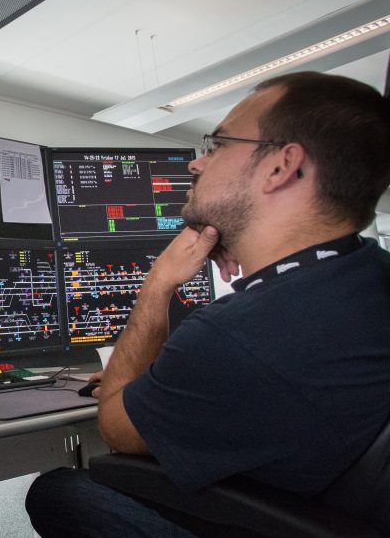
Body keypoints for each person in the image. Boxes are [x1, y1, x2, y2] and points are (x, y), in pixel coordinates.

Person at [26, 71, 390, 537]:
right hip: (340, 500)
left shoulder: (237, 333)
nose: (197, 165)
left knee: (60, 489)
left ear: (280, 166)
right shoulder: (367, 275)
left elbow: (116, 427)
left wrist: (157, 285)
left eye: (217, 145)